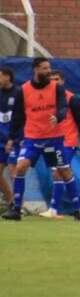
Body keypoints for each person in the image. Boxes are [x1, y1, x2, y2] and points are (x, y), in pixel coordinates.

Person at [2, 57, 80, 221]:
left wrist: (58, 117)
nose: (48, 71)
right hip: (32, 138)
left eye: (49, 68)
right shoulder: (25, 90)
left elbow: (63, 106)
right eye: (44, 68)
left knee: (63, 171)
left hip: (54, 138)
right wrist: (11, 138)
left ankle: (78, 208)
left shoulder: (56, 88)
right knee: (20, 167)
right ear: (35, 70)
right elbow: (18, 116)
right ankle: (16, 209)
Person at [38, 70, 80, 219]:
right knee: (61, 174)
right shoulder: (45, 100)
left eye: (57, 79)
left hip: (67, 141)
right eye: (51, 80)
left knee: (58, 171)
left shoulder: (72, 99)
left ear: (63, 81)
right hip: (50, 141)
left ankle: (54, 209)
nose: (54, 82)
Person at [0, 66, 20, 209]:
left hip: (14, 140)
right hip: (0, 140)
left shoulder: (19, 93)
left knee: (15, 173)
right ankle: (11, 201)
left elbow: (23, 117)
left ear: (7, 76)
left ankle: (18, 205)